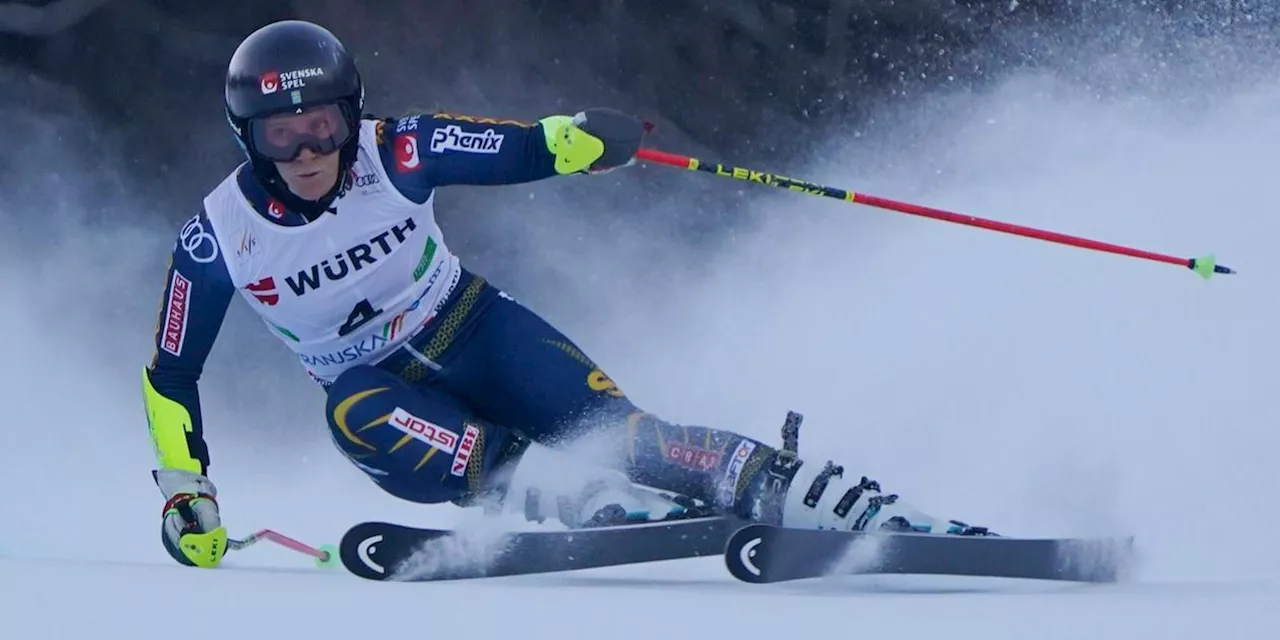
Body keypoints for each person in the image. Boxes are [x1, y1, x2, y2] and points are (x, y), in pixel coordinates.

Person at [142, 19, 989, 569]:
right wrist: (189, 489)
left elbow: (511, 148)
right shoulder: (218, 237)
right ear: (246, 138)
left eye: (320, 124)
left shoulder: (395, 151)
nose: (305, 150)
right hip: (394, 407)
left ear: (348, 112)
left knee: (628, 438)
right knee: (351, 408)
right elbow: (170, 376)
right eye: (280, 135)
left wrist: (574, 140)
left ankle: (836, 501)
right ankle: (568, 495)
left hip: (476, 332)